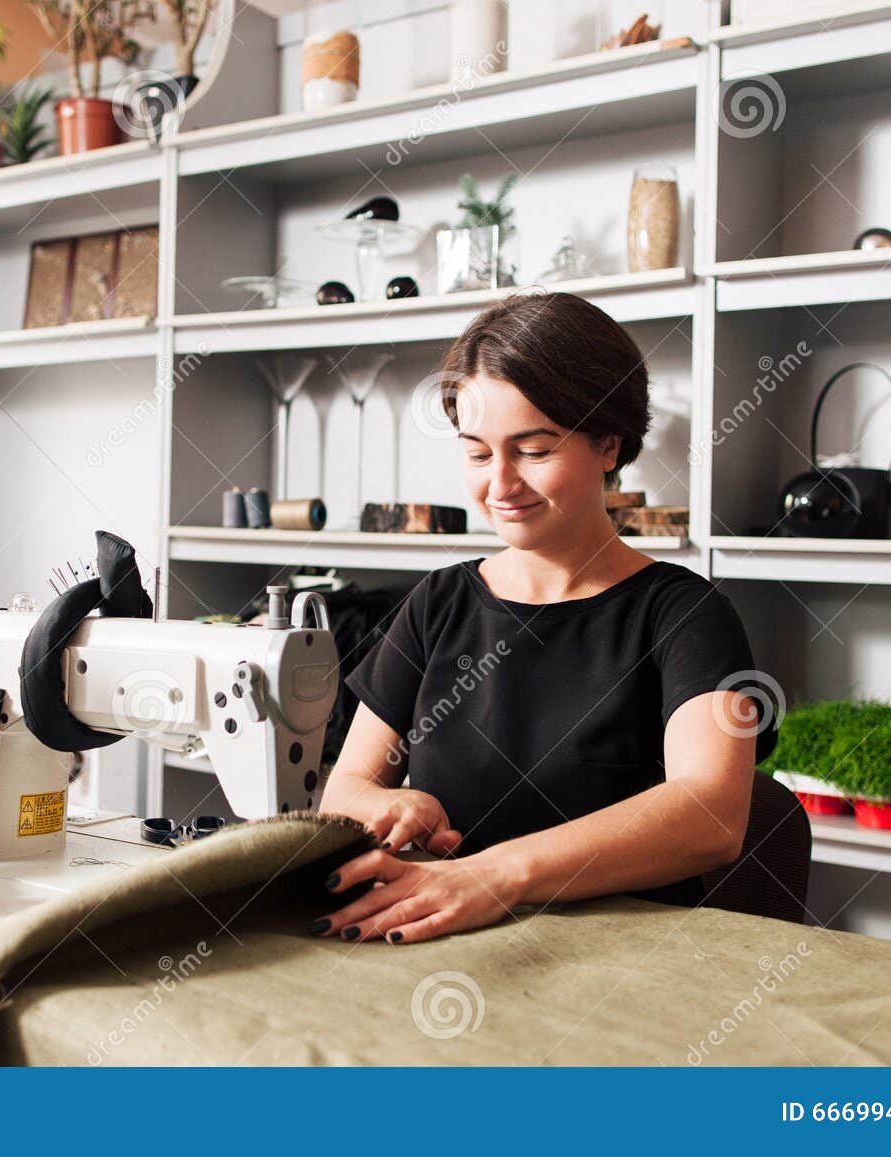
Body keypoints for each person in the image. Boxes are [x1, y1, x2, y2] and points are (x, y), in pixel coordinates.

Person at [315, 291, 775, 944]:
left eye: (533, 450)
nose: (500, 484)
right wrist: (389, 801)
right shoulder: (437, 605)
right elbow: (346, 791)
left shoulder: (686, 615)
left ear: (609, 444)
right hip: (449, 949)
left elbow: (711, 814)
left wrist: (497, 875)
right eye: (477, 454)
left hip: (626, 971)